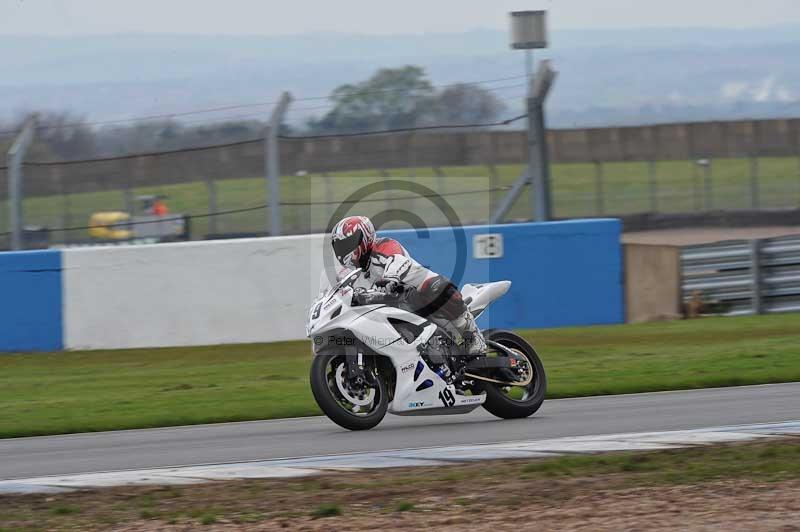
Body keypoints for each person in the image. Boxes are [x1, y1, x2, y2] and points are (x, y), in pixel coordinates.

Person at [330, 215, 486, 356]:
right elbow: (341, 291)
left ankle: (472, 334)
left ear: (363, 238)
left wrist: (390, 279)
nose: (343, 251)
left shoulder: (384, 246)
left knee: (435, 286)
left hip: (416, 297)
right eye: (340, 247)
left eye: (347, 244)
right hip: (388, 311)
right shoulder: (350, 273)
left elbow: (397, 259)